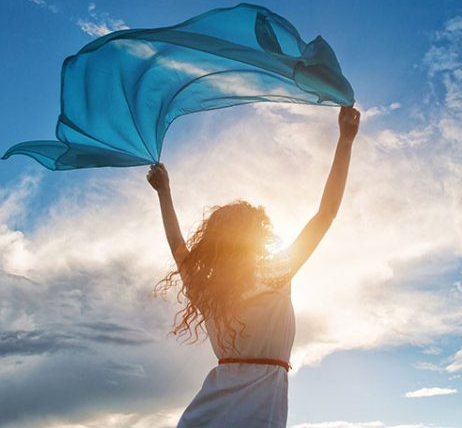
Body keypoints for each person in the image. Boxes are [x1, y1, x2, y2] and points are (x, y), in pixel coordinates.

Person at [147, 106, 360, 427]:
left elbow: (178, 249)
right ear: (258, 237)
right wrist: (345, 142)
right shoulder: (275, 273)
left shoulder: (210, 292)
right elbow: (325, 213)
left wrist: (165, 193)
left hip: (208, 410)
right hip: (260, 408)